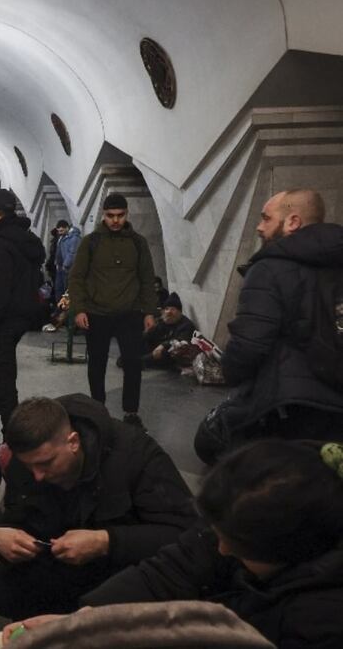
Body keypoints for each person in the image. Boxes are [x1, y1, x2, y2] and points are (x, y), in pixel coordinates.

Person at [80, 440, 343, 648]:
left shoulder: (320, 621)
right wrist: (87, 619)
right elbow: (177, 566)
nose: (221, 549)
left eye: (235, 547)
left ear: (290, 552)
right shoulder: (239, 510)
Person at [0, 395, 196, 620]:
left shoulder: (135, 453)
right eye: (29, 466)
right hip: (63, 563)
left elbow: (186, 534)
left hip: (125, 568)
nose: (37, 476)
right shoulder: (28, 460)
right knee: (2, 588)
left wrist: (105, 542)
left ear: (73, 442)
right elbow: (17, 518)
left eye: (46, 464)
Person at [216, 189, 343, 444]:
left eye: (266, 218)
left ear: (292, 222)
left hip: (291, 405)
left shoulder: (269, 268)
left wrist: (229, 372)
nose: (259, 227)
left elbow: (250, 344)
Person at [67, 193, 158, 427]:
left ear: (127, 214)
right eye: (110, 216)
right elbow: (77, 277)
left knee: (132, 363)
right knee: (96, 363)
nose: (115, 220)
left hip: (130, 314)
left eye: (120, 215)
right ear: (103, 215)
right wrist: (79, 309)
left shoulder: (138, 243)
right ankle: (98, 408)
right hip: (97, 314)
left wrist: (149, 312)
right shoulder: (91, 242)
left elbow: (147, 279)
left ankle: (131, 411)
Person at [0, 189, 47, 438]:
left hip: (3, 320)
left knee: (2, 381)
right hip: (21, 316)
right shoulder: (25, 240)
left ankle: (14, 437)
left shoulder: (2, 245)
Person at [140, 292, 195, 370]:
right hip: (156, 349)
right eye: (167, 309)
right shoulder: (164, 321)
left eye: (173, 309)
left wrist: (163, 345)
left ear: (179, 312)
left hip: (170, 354)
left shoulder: (186, 325)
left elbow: (180, 340)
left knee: (165, 352)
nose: (169, 312)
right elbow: (151, 334)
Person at [54, 219, 81, 302]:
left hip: (68, 268)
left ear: (67, 228)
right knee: (59, 288)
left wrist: (65, 264)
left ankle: (66, 310)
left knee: (67, 290)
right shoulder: (62, 237)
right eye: (58, 231)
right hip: (60, 267)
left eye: (61, 230)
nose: (60, 233)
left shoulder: (74, 238)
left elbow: (72, 253)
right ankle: (60, 308)